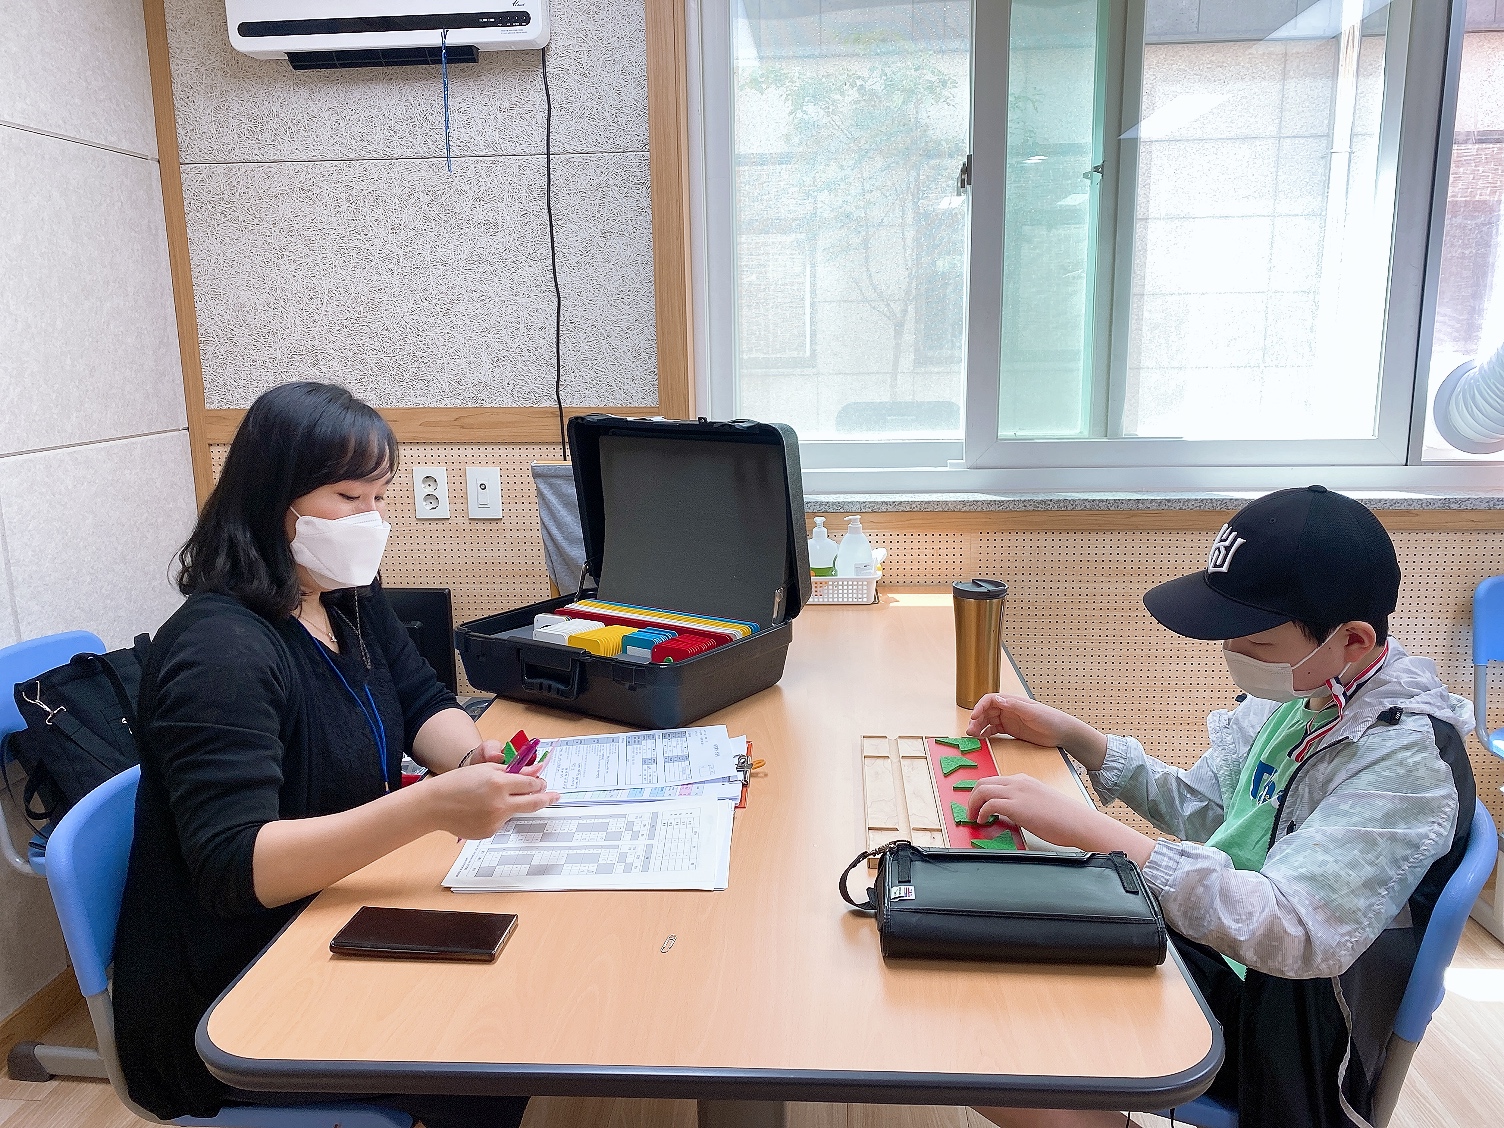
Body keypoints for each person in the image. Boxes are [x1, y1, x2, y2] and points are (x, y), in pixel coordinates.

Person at [113, 381, 558, 1128]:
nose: (373, 523)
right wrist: (424, 806)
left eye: (380, 499)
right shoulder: (220, 651)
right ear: (272, 500)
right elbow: (235, 868)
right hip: (233, 991)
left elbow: (421, 700)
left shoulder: (341, 592)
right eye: (351, 498)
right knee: (489, 1047)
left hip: (329, 910)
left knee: (516, 988)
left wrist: (467, 758)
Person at [962, 486, 1476, 1128]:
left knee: (996, 1051)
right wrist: (1081, 741)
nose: (1233, 654)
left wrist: (1111, 842)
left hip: (1287, 1020)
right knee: (993, 960)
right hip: (1220, 948)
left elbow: (1296, 933)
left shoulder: (1406, 764)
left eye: (1254, 643)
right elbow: (1215, 812)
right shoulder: (1306, 691)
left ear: (1351, 640)